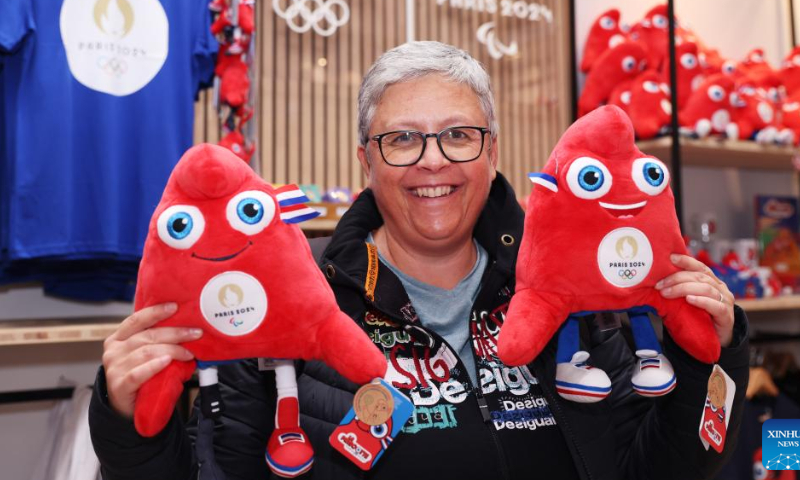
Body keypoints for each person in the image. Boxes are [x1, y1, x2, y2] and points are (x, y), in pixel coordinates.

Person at [89, 41, 749, 480]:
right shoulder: (288, 309)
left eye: (459, 136)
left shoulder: (580, 297)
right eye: (402, 139)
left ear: (492, 154)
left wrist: (709, 358)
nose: (433, 161)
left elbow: (661, 467)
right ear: (366, 163)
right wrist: (125, 420)